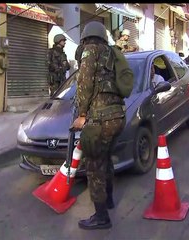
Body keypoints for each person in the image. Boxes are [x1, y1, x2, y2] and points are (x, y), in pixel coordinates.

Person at [70, 21, 127, 230]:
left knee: (94, 165)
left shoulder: (89, 51)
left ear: (85, 37)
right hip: (118, 116)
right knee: (106, 160)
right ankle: (109, 200)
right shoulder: (111, 53)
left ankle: (101, 217)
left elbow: (84, 83)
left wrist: (82, 114)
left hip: (99, 119)